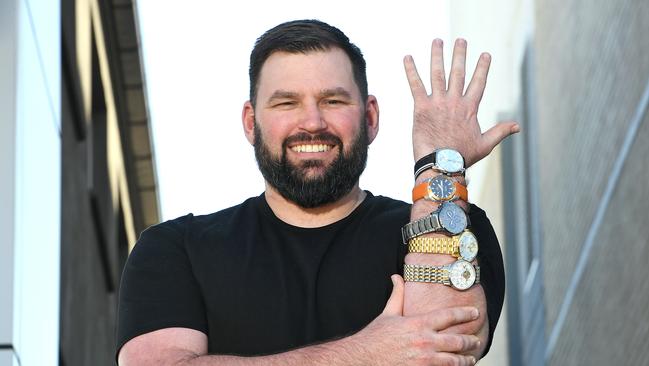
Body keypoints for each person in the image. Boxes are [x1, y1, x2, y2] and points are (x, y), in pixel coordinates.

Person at [116, 19, 518, 366]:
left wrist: (437, 162)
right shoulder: (175, 250)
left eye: (333, 100)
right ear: (251, 123)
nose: (311, 121)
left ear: (371, 117)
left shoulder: (452, 223)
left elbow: (444, 349)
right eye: (286, 103)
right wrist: (367, 353)